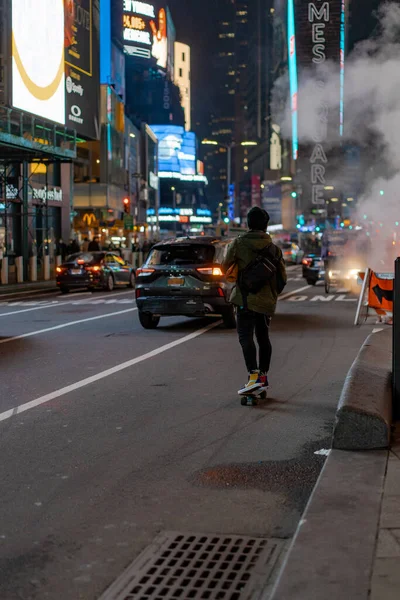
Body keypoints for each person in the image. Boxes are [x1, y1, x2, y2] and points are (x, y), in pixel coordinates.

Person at [223, 207, 287, 395]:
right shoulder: (274, 250)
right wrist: (271, 295)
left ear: (248, 224)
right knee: (263, 337)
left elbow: (225, 266)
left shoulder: (238, 244)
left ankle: (253, 377)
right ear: (266, 226)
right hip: (266, 303)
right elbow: (282, 279)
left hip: (244, 299)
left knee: (245, 337)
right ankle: (263, 378)